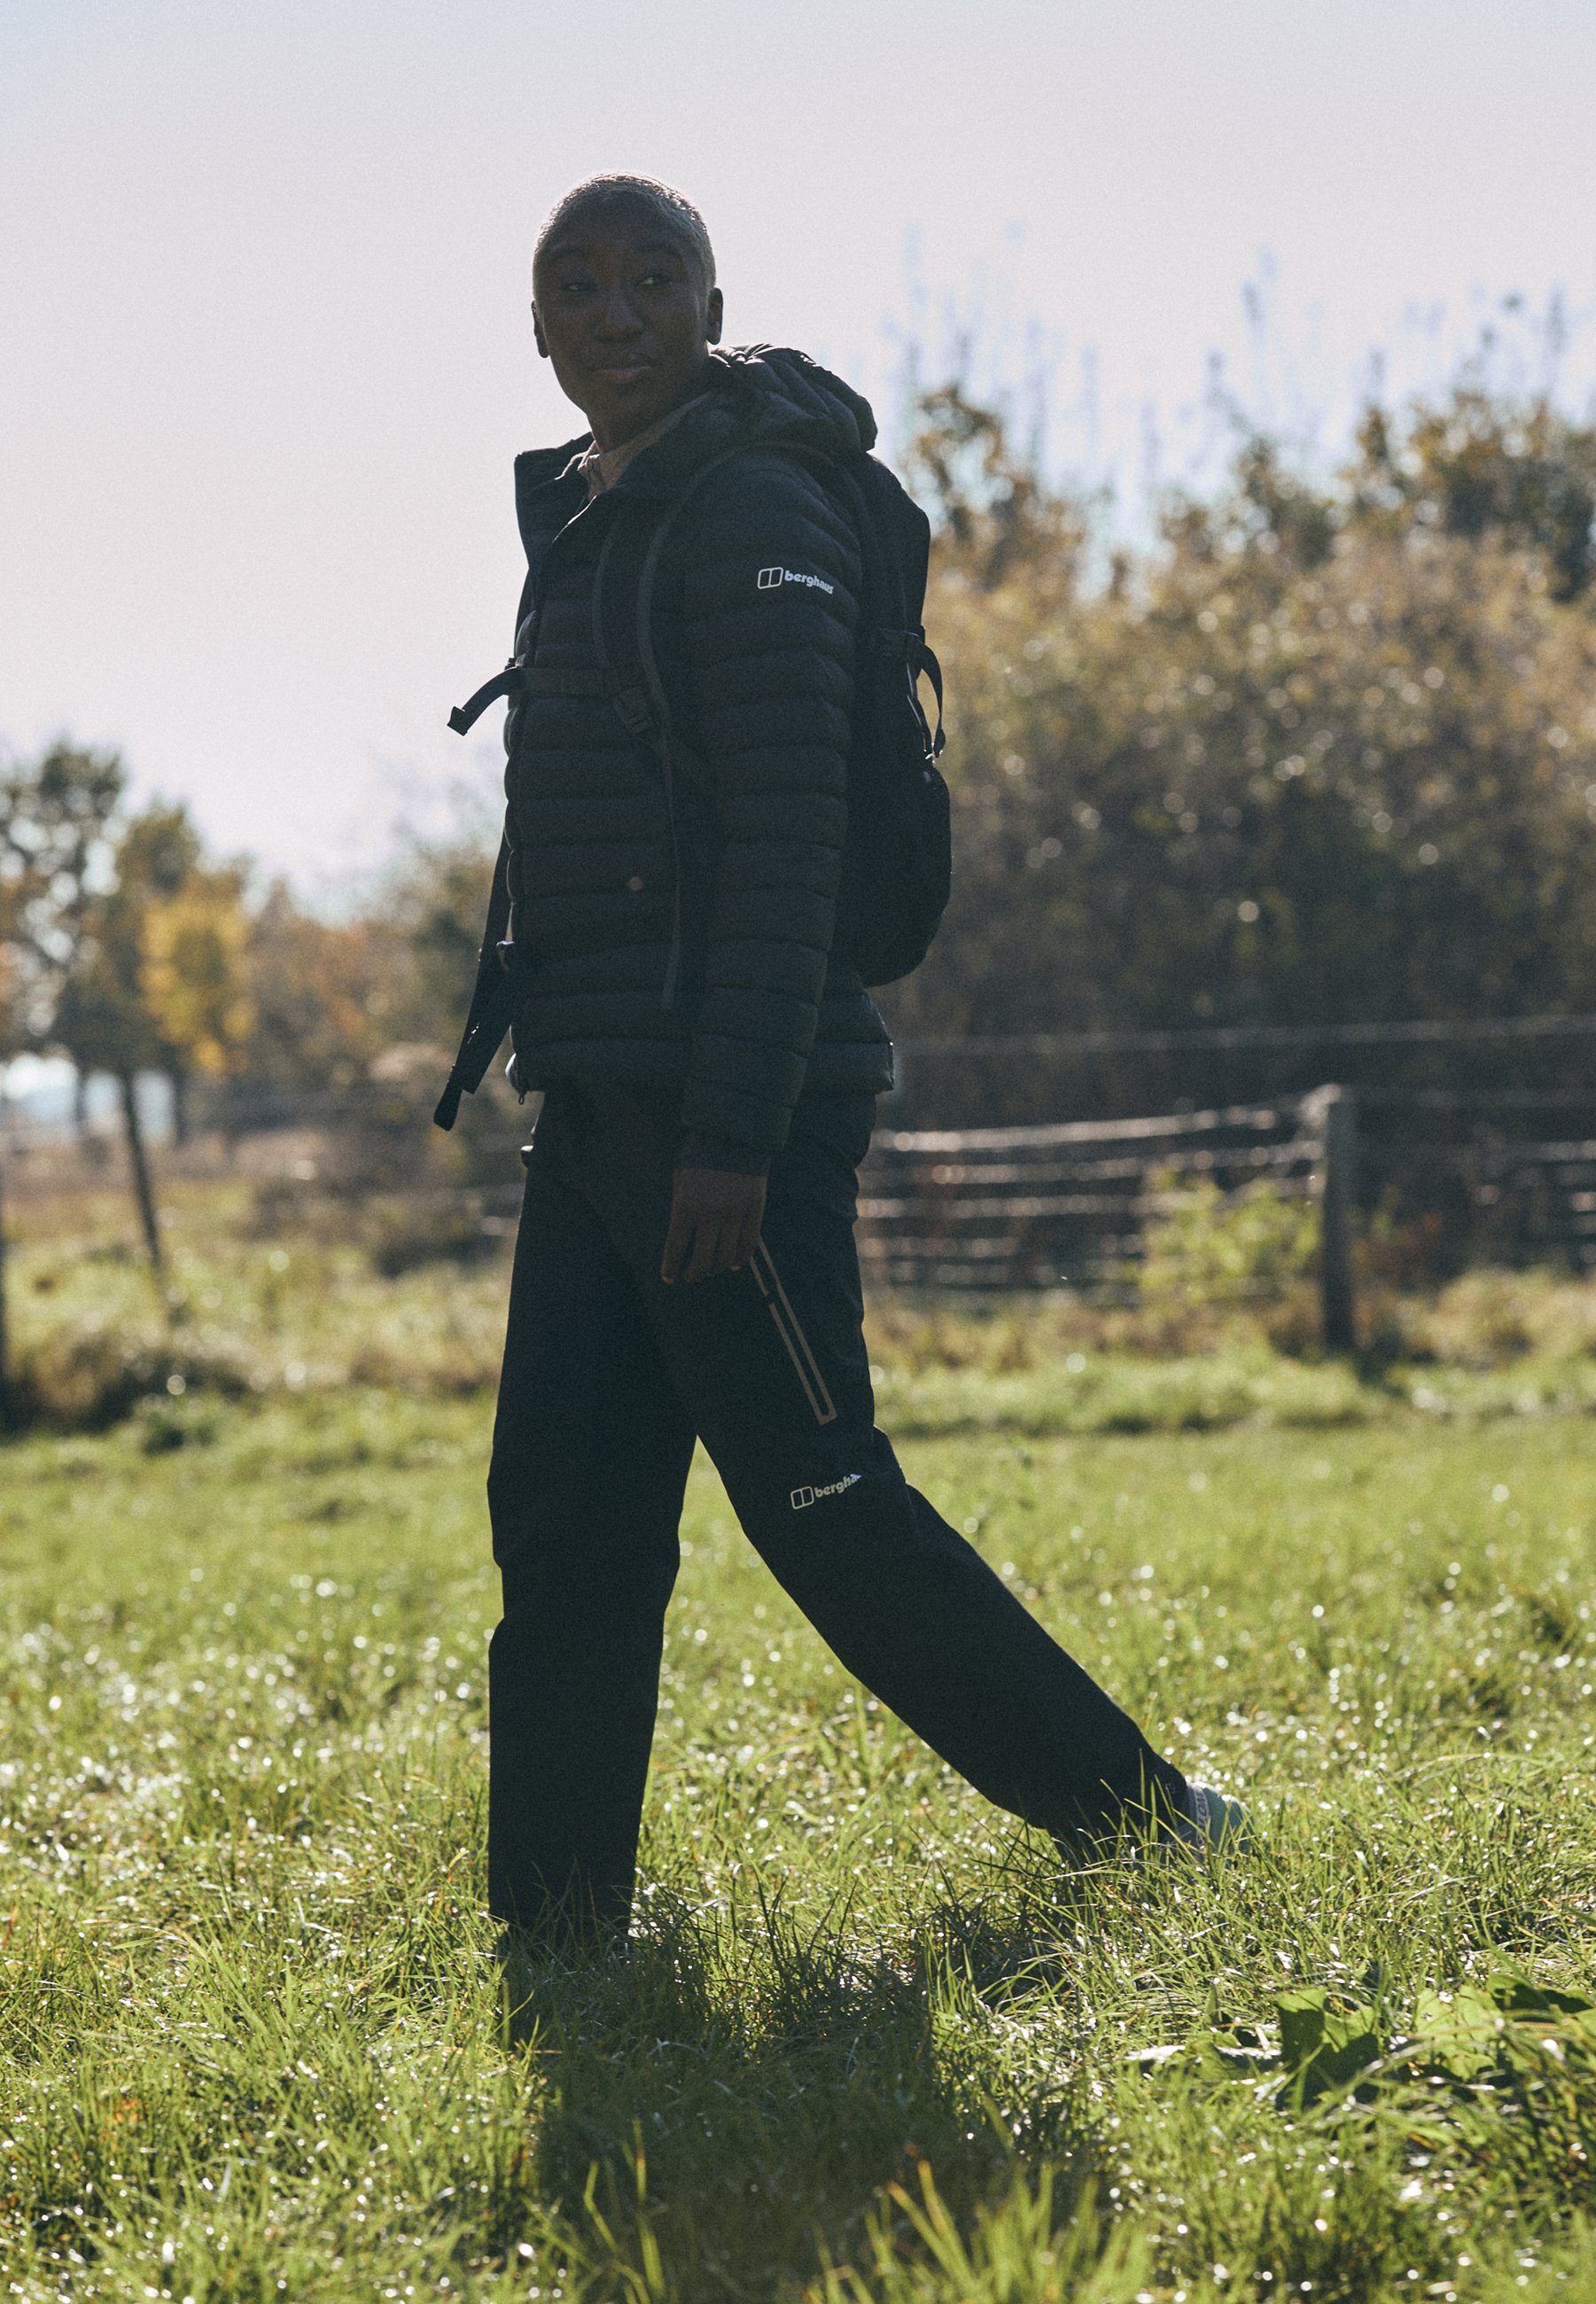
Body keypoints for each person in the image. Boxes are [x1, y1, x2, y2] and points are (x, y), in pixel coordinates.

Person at [457, 173, 1246, 1944]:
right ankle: (559, 1924)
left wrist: (733, 1129)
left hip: (729, 1112)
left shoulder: (750, 507)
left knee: (823, 1501)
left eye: (652, 276)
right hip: (600, 1101)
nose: (614, 311)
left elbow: (792, 844)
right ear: (537, 324)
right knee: (565, 1515)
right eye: (577, 283)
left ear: (712, 304)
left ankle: (1148, 1821)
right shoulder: (594, 511)